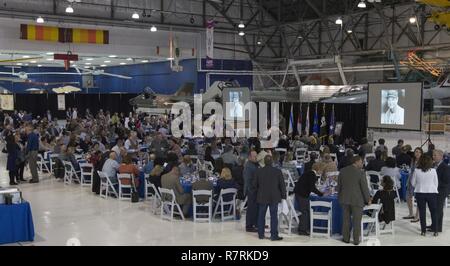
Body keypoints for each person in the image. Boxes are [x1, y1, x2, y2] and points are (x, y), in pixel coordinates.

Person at [337, 156, 370, 245]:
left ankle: (346, 238)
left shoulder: (342, 171)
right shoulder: (361, 173)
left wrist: (339, 197)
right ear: (356, 162)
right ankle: (356, 240)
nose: (362, 164)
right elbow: (364, 188)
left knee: (346, 220)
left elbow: (338, 187)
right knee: (357, 221)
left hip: (345, 199)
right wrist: (368, 199)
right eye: (361, 162)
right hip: (357, 200)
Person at [255, 155, 286, 241]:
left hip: (262, 196)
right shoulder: (277, 171)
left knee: (261, 216)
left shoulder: (259, 171)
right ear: (272, 162)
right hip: (274, 196)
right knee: (273, 216)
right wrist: (284, 195)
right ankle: (274, 235)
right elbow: (282, 185)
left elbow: (254, 185)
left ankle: (261, 234)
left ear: (264, 162)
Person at [411, 154, 438, 236]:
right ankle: (435, 231)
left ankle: (423, 231)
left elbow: (413, 183)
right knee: (433, 212)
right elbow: (436, 183)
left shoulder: (416, 170)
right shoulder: (433, 171)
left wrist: (419, 186)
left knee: (422, 212)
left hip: (420, 193)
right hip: (432, 193)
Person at [294, 163, 325, 235]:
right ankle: (302, 230)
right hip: (302, 194)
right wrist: (320, 194)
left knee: (305, 210)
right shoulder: (312, 175)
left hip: (299, 193)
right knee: (305, 211)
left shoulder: (308, 173)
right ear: (318, 169)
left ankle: (303, 227)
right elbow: (312, 188)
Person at [430, 150, 450, 233]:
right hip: (434, 190)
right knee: (434, 209)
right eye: (433, 155)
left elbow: (446, 181)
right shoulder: (434, 165)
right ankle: (434, 225)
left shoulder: (445, 167)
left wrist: (434, 182)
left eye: (435, 155)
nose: (433, 157)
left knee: (438, 209)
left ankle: (437, 228)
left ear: (441, 156)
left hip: (441, 190)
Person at [404, 147, 422, 221]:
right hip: (411, 180)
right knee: (408, 197)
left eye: (418, 152)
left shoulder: (423, 161)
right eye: (416, 152)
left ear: (421, 153)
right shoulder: (413, 160)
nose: (417, 153)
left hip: (418, 181)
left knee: (419, 199)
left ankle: (417, 216)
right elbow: (411, 171)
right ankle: (411, 213)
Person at [243, 150, 259, 232]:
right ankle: (249, 226)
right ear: (249, 157)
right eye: (254, 156)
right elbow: (248, 179)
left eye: (256, 156)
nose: (256, 157)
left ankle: (256, 223)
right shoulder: (249, 166)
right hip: (251, 190)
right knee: (251, 208)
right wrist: (252, 190)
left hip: (255, 190)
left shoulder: (254, 164)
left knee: (256, 207)